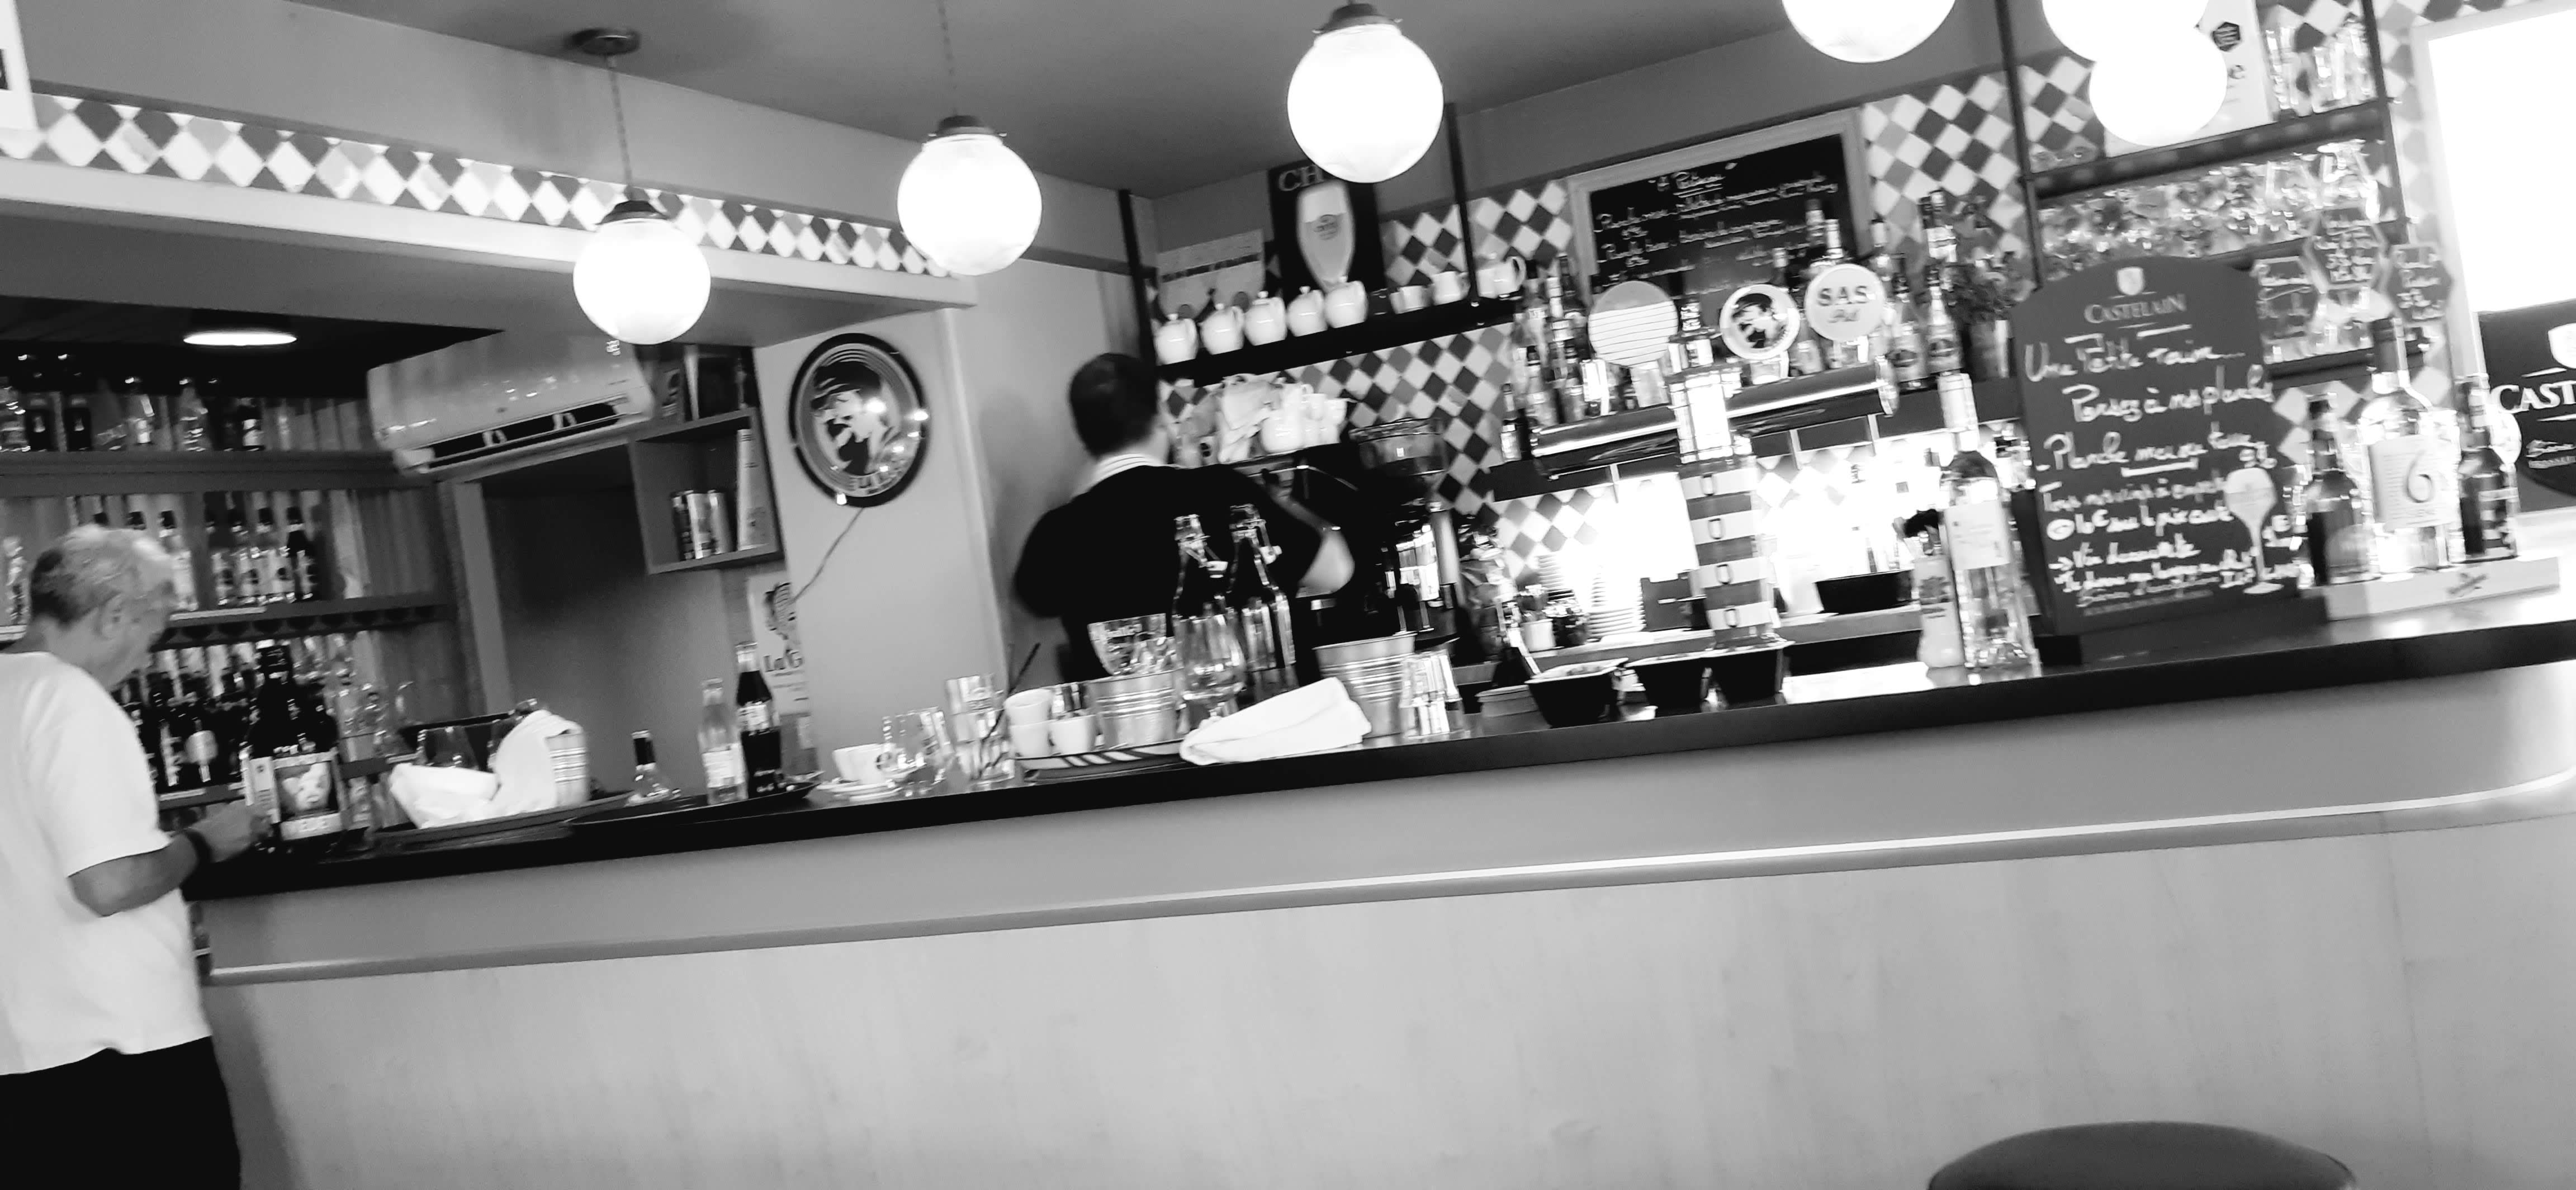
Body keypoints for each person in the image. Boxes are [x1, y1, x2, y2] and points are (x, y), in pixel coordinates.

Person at [0, 526, 267, 1188]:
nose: (151, 652)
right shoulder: (69, 700)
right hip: (122, 1051)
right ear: (114, 613)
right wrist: (203, 842)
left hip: (22, 1062)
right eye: (155, 628)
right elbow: (110, 883)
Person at [1017, 353, 1353, 679]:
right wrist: (1282, 503)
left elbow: (1036, 599)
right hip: (1252, 707)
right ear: (1160, 418)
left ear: (1083, 437)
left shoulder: (1056, 532)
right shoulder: (1224, 490)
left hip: (1132, 717)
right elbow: (1335, 572)